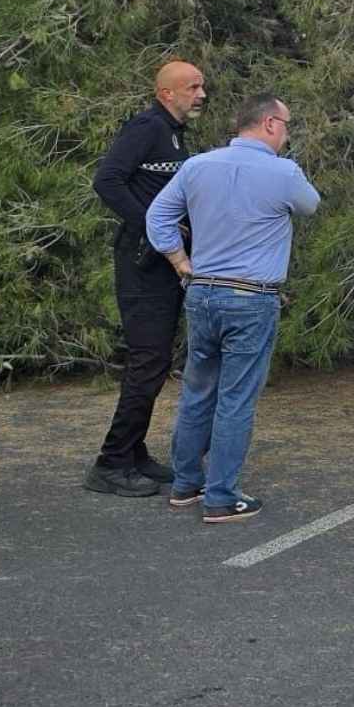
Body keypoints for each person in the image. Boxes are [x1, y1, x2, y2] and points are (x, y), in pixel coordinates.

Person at [146, 94, 320, 524]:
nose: (288, 134)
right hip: (251, 296)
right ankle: (222, 496)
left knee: (198, 389)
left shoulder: (197, 166)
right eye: (287, 125)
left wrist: (179, 261)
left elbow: (157, 216)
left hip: (202, 292)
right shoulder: (284, 172)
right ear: (270, 124)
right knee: (237, 398)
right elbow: (311, 206)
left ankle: (187, 483)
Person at [83, 60, 206, 497]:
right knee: (146, 361)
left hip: (162, 266)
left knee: (154, 363)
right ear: (165, 93)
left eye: (201, 86)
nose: (201, 94)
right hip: (141, 264)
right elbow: (107, 181)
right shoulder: (146, 128)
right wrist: (155, 228)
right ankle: (110, 463)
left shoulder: (173, 135)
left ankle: (134, 454)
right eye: (192, 87)